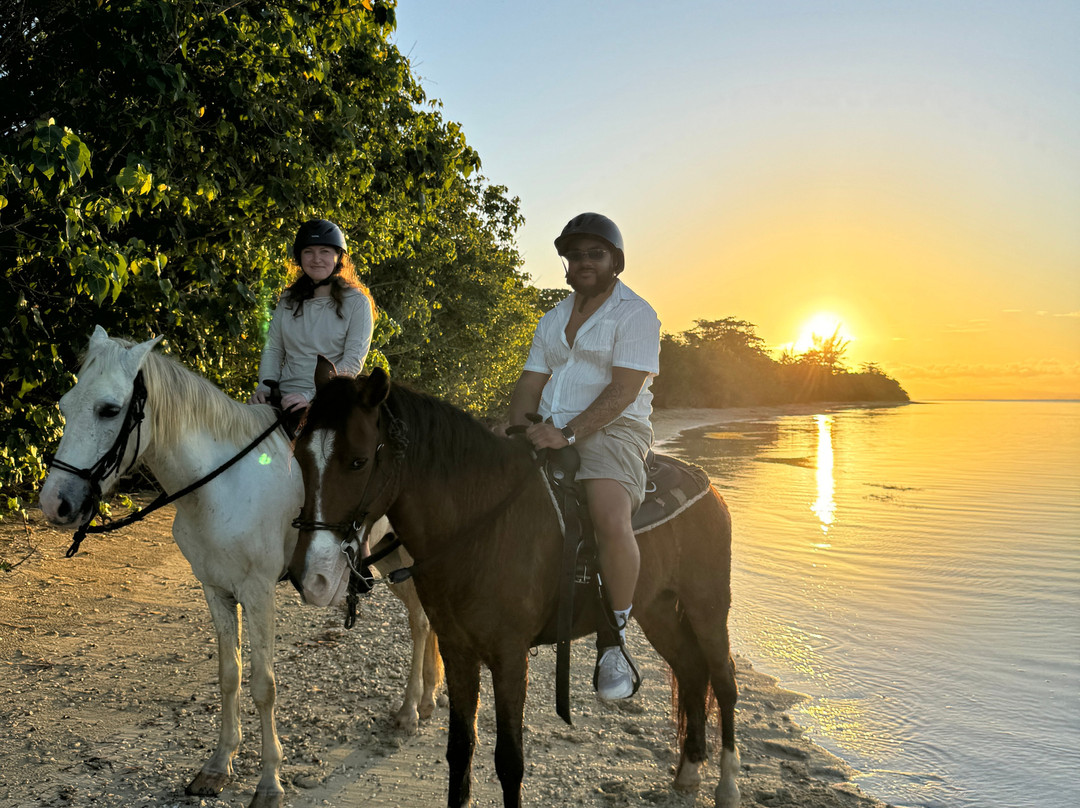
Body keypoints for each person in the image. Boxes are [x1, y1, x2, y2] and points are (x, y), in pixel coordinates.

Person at [507, 212, 661, 700]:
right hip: (550, 425)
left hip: (615, 430)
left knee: (609, 515)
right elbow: (531, 382)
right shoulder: (552, 318)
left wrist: (568, 434)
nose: (583, 262)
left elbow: (623, 390)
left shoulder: (636, 314)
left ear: (615, 260)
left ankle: (614, 638)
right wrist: (516, 430)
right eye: (574, 256)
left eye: (595, 254)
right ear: (566, 265)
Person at [249, 219, 375, 417]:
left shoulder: (358, 303)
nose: (316, 259)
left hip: (330, 400)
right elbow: (273, 348)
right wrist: (264, 388)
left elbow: (352, 362)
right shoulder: (288, 300)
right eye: (309, 252)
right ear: (300, 257)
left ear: (338, 257)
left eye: (324, 251)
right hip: (284, 399)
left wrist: (309, 396)